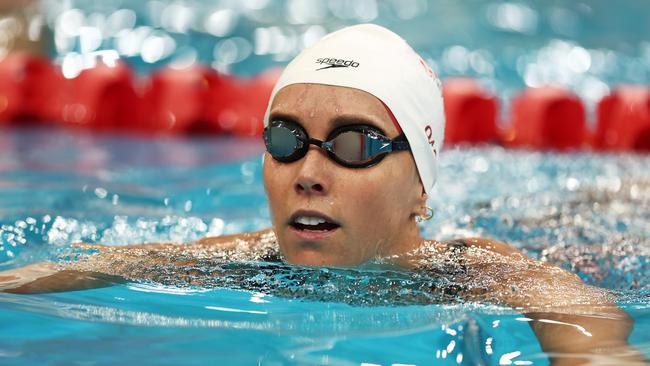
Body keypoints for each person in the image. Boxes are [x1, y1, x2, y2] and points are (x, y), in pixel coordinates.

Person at [0, 24, 646, 365]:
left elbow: (593, 336)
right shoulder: (250, 258)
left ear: (420, 186)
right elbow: (96, 265)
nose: (307, 172)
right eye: (286, 141)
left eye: (354, 144)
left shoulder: (480, 273)